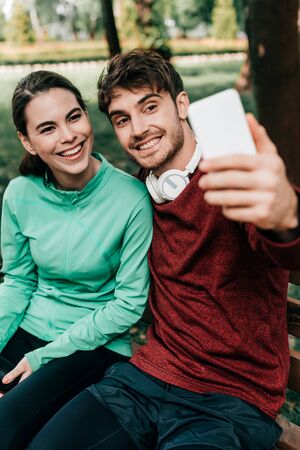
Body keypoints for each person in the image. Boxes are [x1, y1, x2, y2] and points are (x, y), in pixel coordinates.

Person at [27, 50, 300, 450]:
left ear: (182, 104)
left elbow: (284, 244)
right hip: (146, 378)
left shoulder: (233, 177)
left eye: (150, 107)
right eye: (122, 119)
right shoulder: (140, 193)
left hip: (230, 399)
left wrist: (285, 216)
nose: (138, 129)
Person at [0, 69, 152, 450]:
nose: (69, 136)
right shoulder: (20, 194)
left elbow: (129, 304)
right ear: (28, 141)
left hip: (92, 347)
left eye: (73, 117)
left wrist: (45, 356)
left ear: (86, 116)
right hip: (26, 330)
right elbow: (18, 282)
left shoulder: (131, 198)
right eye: (47, 128)